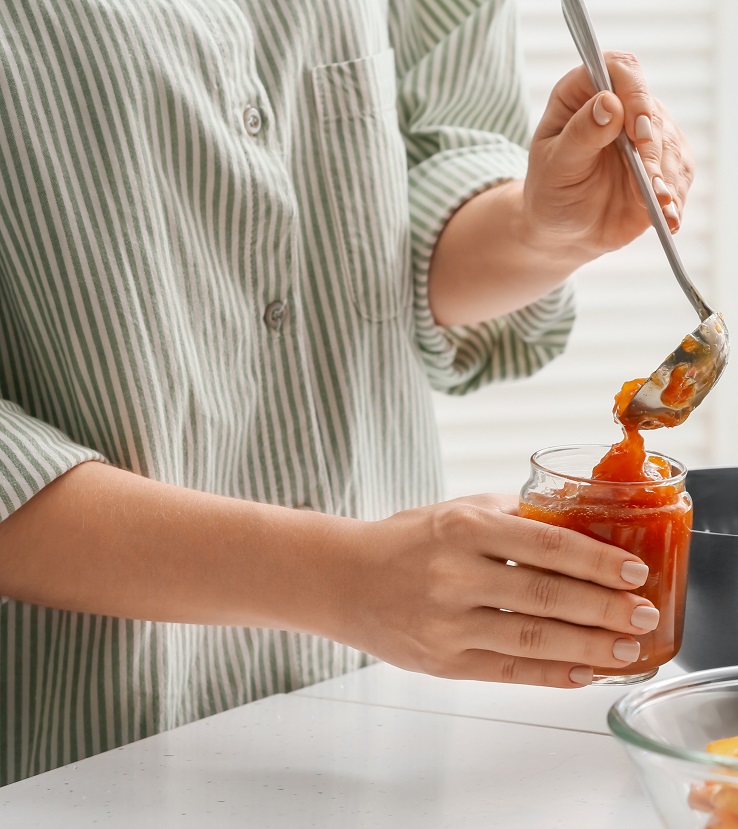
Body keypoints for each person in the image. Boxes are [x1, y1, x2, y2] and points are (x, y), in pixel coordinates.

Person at [0, 0, 694, 785]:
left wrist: (544, 229)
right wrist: (343, 577)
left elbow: (414, 201)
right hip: (91, 749)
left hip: (382, 725)